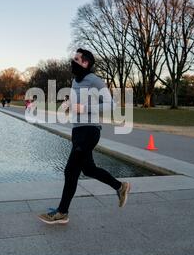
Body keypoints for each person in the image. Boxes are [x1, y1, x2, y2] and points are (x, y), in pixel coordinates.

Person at [38, 49, 130, 225]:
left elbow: (111, 105)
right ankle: (120, 186)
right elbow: (75, 103)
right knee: (88, 169)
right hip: (78, 130)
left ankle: (62, 213)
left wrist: (85, 108)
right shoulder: (74, 81)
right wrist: (68, 105)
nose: (72, 61)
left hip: (89, 131)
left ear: (85, 63)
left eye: (76, 59)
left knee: (70, 171)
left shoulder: (95, 80)